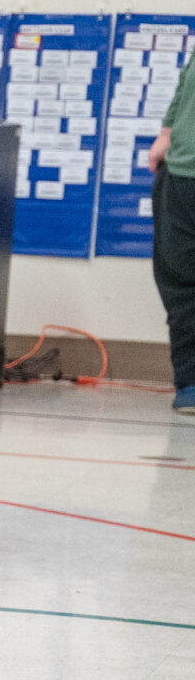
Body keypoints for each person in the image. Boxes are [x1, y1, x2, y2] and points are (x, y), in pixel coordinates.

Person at [147, 52, 195, 415]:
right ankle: (191, 382)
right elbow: (185, 86)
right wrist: (166, 133)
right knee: (180, 284)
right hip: (182, 175)